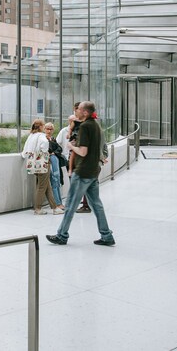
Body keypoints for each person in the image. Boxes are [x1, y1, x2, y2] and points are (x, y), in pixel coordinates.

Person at [47, 101, 115, 246]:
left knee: (71, 203)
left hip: (83, 171)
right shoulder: (96, 125)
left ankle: (62, 235)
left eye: (78, 110)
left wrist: (71, 146)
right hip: (93, 170)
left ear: (85, 112)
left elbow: (83, 151)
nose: (76, 111)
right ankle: (107, 235)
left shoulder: (85, 126)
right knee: (96, 204)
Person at [23, 119, 60, 215]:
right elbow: (44, 146)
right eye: (43, 126)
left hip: (33, 164)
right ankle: (38, 208)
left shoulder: (31, 136)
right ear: (40, 127)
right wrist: (45, 151)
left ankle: (55, 208)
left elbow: (25, 150)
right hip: (42, 163)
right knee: (42, 186)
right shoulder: (41, 136)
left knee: (47, 185)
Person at [44, 123, 66, 211]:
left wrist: (53, 152)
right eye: (47, 129)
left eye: (51, 129)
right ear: (44, 129)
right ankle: (57, 203)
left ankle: (59, 202)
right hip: (50, 162)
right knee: (54, 181)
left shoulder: (53, 139)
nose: (49, 131)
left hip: (55, 161)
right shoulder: (43, 139)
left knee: (57, 181)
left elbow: (59, 149)